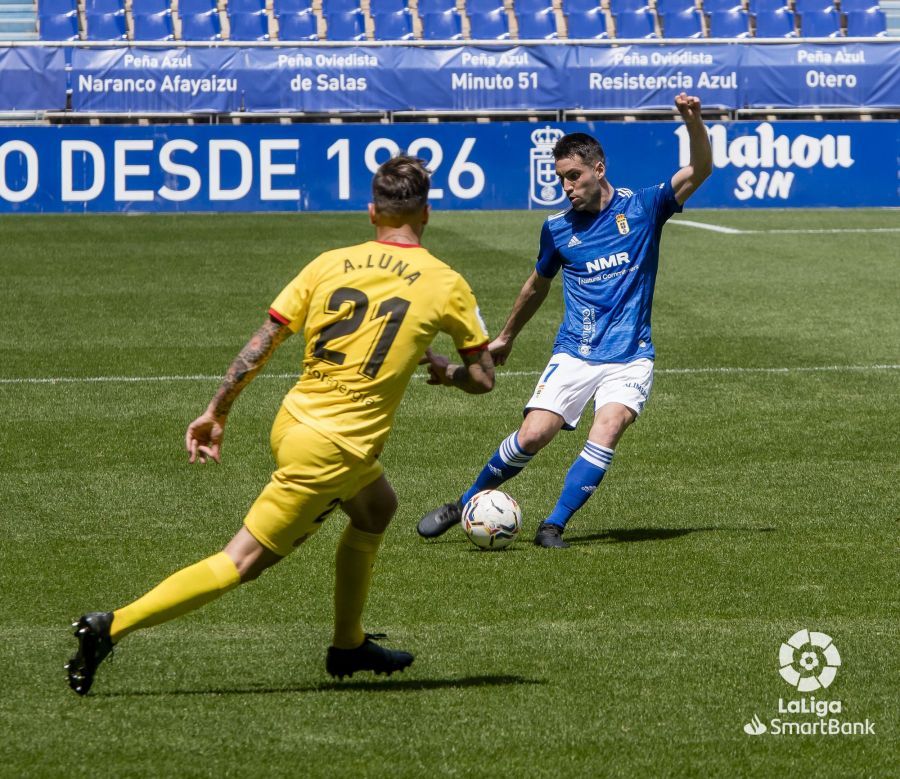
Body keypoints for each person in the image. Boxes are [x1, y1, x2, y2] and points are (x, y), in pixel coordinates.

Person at [66, 155, 494, 695]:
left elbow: (263, 341)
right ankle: (112, 626)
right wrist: (447, 371)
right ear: (427, 212)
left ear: (371, 213)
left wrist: (217, 409)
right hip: (335, 447)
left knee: (377, 506)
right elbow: (483, 378)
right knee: (241, 561)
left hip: (294, 420)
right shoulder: (445, 282)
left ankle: (348, 644)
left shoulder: (329, 263)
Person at [417, 93, 712, 549]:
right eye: (561, 179)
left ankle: (553, 525)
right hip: (576, 349)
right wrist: (506, 338)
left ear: (599, 169)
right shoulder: (557, 228)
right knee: (535, 433)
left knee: (609, 426)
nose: (567, 186)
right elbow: (536, 285)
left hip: (632, 355)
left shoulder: (644, 207)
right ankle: (466, 503)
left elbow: (699, 170)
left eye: (573, 176)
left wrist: (693, 120)